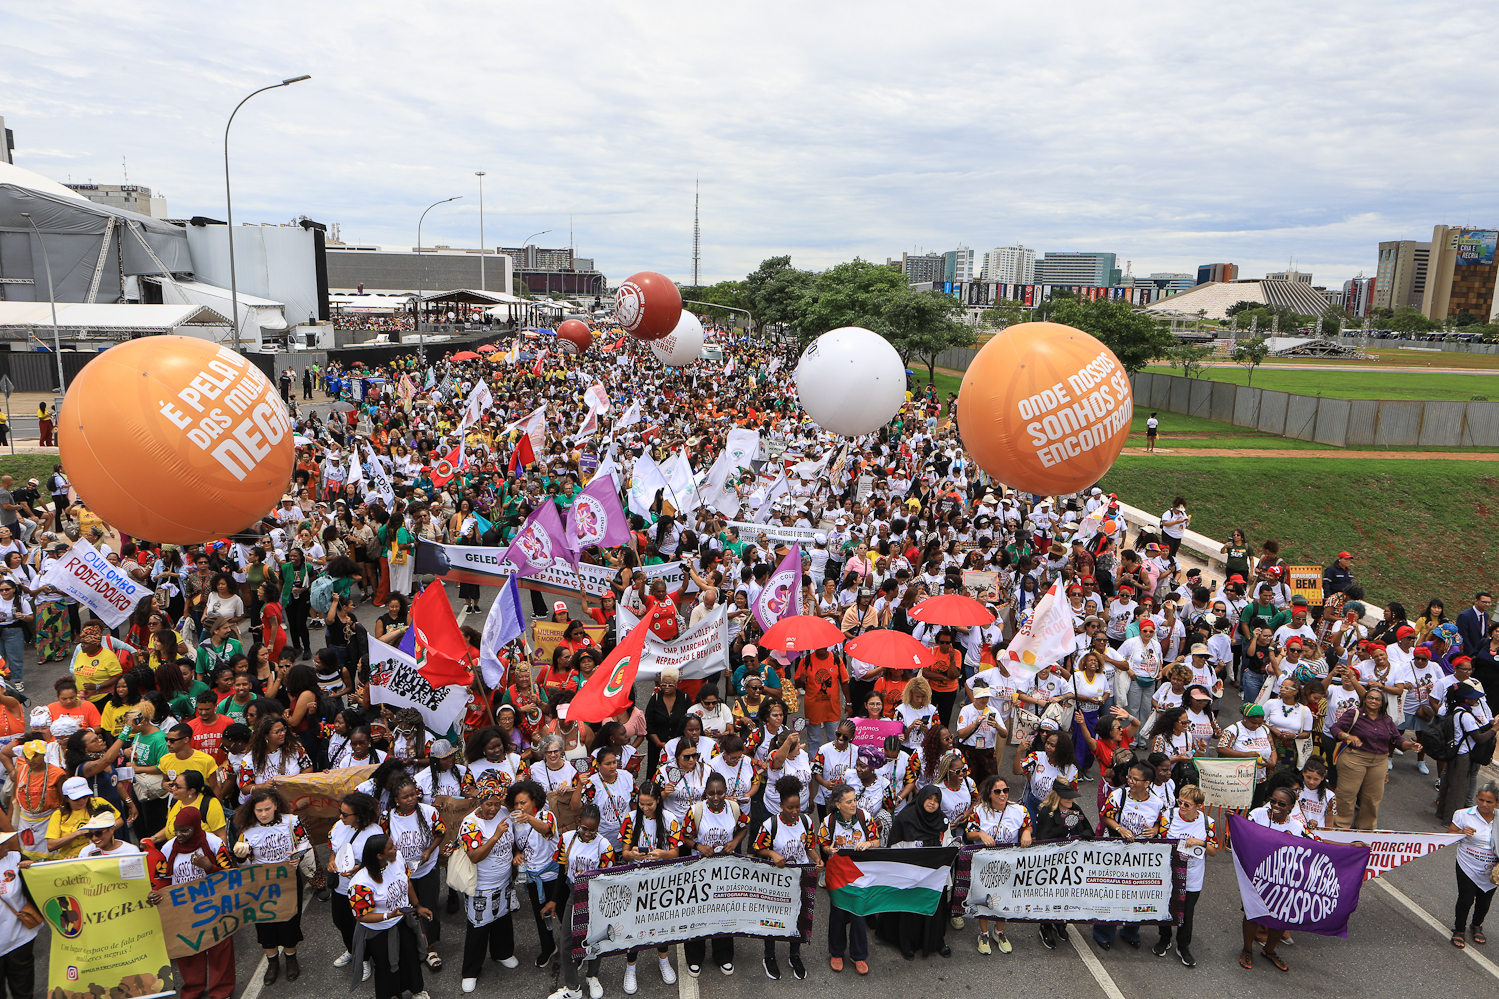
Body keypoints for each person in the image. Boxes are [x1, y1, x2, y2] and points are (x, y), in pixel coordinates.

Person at [148, 807, 235, 999]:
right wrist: (156, 893)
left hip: (214, 907)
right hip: (183, 910)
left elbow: (231, 876)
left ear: (196, 827)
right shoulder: (169, 848)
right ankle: (192, 989)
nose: (179, 835)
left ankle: (221, 991)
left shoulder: (213, 843)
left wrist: (210, 867)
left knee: (219, 950)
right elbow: (163, 877)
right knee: (187, 950)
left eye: (184, 831)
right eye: (176, 830)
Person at [233, 788, 310, 983]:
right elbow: (245, 865)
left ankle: (291, 958)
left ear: (276, 805)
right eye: (259, 810)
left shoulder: (291, 821)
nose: (264, 814)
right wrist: (240, 857)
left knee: (290, 921)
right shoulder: (246, 830)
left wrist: (296, 858)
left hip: (288, 880)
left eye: (267, 808)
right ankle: (272, 961)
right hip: (261, 885)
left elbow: (303, 842)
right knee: (265, 924)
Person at [544, 804, 615, 999]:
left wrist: (591, 876)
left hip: (596, 897)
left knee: (595, 939)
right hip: (575, 895)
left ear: (598, 827)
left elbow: (607, 879)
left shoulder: (605, 846)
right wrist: (553, 900)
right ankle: (573, 988)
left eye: (593, 830)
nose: (587, 833)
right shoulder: (566, 840)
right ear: (578, 823)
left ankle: (592, 976)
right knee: (567, 942)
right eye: (584, 828)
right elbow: (561, 872)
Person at [347, 835, 431, 999]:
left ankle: (417, 990)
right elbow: (361, 916)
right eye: (391, 847)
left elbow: (407, 883)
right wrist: (388, 915)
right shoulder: (360, 884)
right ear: (379, 856)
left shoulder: (397, 858)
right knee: (387, 966)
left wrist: (418, 906)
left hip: (402, 921)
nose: (396, 848)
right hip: (380, 932)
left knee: (410, 957)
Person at [753, 775, 819, 980]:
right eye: (790, 808)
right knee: (773, 918)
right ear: (781, 805)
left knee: (798, 917)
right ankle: (770, 956)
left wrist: (817, 859)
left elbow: (809, 847)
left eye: (798, 807)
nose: (795, 812)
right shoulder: (770, 825)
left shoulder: (807, 822)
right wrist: (772, 854)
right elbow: (758, 848)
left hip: (799, 878)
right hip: (776, 880)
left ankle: (794, 955)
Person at [456, 784, 520, 993]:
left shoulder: (504, 813)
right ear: (479, 802)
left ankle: (502, 953)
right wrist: (495, 836)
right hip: (482, 886)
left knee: (502, 919)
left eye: (497, 803)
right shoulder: (470, 824)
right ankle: (471, 970)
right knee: (478, 928)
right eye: (488, 804)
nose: (493, 808)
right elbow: (475, 856)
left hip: (503, 882)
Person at [876, 785, 950, 960]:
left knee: (934, 908)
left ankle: (936, 941)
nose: (932, 804)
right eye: (929, 799)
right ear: (921, 798)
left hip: (934, 876)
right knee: (910, 910)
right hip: (910, 875)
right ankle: (906, 943)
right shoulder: (905, 819)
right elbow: (895, 847)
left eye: (936, 801)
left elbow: (947, 844)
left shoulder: (942, 820)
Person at [617, 786, 680, 993]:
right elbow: (624, 853)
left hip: (662, 881)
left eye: (649, 804)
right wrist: (633, 855)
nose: (645, 808)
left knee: (661, 923)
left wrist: (662, 853)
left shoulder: (670, 818)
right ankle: (630, 968)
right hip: (636, 880)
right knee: (633, 925)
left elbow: (675, 852)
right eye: (641, 804)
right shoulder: (630, 818)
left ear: (658, 801)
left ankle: (663, 961)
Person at [962, 774, 1031, 955]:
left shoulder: (1019, 810)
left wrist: (1026, 833)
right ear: (990, 793)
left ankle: (999, 932)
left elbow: (1028, 825)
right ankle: (983, 933)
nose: (1003, 794)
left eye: (1006, 790)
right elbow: (968, 834)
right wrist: (980, 835)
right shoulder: (979, 811)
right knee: (986, 898)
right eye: (998, 791)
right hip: (986, 864)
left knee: (1006, 898)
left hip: (1010, 863)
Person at [1329, 689, 1417, 830]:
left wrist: (1410, 745)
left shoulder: (1387, 720)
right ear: (1365, 699)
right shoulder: (1354, 714)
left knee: (1372, 798)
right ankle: (1340, 827)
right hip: (1354, 758)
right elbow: (1335, 728)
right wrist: (1348, 736)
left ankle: (1366, 828)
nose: (1373, 701)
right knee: (1346, 795)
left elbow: (1397, 740)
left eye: (1377, 699)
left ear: (1382, 703)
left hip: (1379, 762)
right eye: (1370, 697)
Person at [1240, 787, 1306, 972]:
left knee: (1281, 917)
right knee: (1252, 912)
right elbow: (1244, 831)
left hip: (1283, 880)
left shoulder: (1297, 827)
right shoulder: (1258, 814)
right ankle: (1247, 949)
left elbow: (1316, 843)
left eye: (1281, 804)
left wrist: (1350, 846)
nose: (1275, 806)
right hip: (1257, 875)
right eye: (1273, 801)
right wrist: (1233, 820)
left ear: (1291, 807)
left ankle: (1269, 950)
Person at [384, 778, 446, 970]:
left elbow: (441, 832)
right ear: (396, 799)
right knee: (406, 910)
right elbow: (384, 842)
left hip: (427, 869)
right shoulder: (387, 818)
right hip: (402, 874)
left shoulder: (429, 812)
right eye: (405, 797)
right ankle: (410, 945)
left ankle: (430, 947)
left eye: (413, 795)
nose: (411, 799)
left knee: (429, 908)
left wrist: (429, 851)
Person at [1154, 784, 1215, 966]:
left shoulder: (1207, 823)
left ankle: (1183, 946)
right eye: (1180, 802)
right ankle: (1164, 939)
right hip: (1168, 874)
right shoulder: (1168, 816)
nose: (1182, 806)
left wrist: (1201, 843)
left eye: (1187, 804)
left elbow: (1214, 851)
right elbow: (1159, 840)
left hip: (1192, 877)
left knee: (1187, 914)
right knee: (1166, 908)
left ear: (1199, 806)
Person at [329, 791, 382, 979]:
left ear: (359, 815)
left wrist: (358, 868)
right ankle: (352, 950)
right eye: (340, 812)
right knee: (341, 921)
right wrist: (331, 860)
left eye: (345, 814)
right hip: (341, 887)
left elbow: (379, 861)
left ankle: (365, 958)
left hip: (361, 890)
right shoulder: (338, 826)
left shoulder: (374, 833)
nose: (340, 817)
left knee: (361, 925)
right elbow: (334, 849)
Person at [1446, 782, 1497, 949]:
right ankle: (1459, 929)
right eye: (1481, 799)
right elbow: (1448, 835)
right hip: (1467, 864)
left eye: (1489, 802)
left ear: (1497, 803)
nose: (1484, 804)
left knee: (1485, 901)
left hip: (1491, 869)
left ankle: (1476, 926)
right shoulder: (1463, 815)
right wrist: (1461, 833)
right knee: (1466, 899)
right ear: (1476, 798)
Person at [1436, 683, 1495, 824]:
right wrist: (1495, 728)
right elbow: (1479, 739)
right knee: (1458, 789)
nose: (1476, 700)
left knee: (1448, 784)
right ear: (1466, 699)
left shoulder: (1454, 710)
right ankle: (1451, 820)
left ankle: (1441, 812)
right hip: (1462, 755)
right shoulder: (1465, 715)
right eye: (1473, 698)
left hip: (1454, 752)